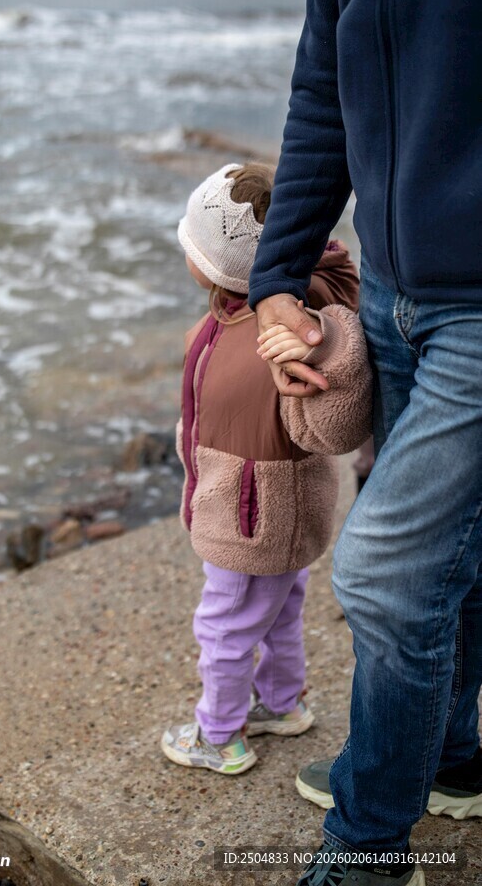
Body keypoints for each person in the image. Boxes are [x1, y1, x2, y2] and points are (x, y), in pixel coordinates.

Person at [247, 0, 482, 885]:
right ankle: (446, 756)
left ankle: (367, 845)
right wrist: (278, 274)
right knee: (443, 561)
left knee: (382, 567)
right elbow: (322, 76)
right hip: (386, 289)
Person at [161, 161, 371, 775]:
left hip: (252, 509)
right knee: (278, 607)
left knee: (224, 625)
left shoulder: (284, 329)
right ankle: (283, 702)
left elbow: (329, 427)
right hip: (261, 506)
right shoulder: (235, 313)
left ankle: (219, 734)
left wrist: (323, 352)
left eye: (191, 241)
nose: (183, 247)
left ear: (227, 264)